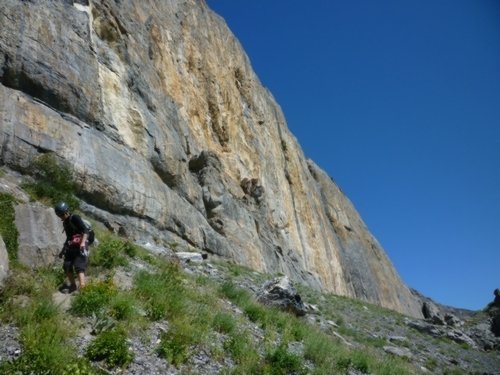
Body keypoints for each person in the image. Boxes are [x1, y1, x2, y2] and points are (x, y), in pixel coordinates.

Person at [54, 202, 90, 293]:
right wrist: (63, 250)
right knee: (66, 265)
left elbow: (85, 231)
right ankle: (73, 286)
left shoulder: (75, 218)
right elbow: (69, 237)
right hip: (72, 244)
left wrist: (82, 244)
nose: (61, 217)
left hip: (81, 243)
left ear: (66, 212)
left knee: (79, 265)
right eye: (59, 215)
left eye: (62, 214)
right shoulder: (65, 223)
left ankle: (83, 287)